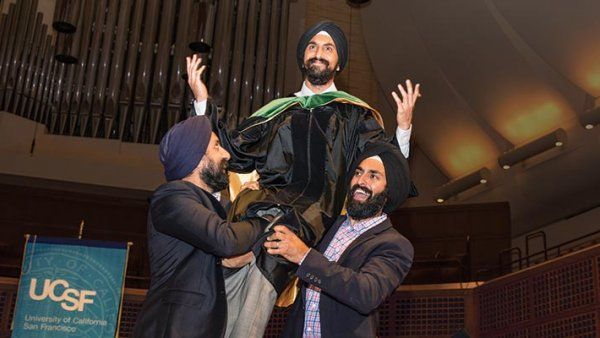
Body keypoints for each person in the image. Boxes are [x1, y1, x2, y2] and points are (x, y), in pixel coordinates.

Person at [186, 21, 421, 337]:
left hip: (316, 216)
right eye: (312, 46)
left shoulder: (355, 115)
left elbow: (383, 169)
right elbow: (231, 150)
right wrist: (203, 104)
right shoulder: (278, 110)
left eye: (328, 48)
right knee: (224, 256)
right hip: (265, 204)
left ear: (338, 62)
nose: (319, 53)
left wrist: (403, 130)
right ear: (303, 57)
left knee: (268, 261)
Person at [133, 116, 269, 338]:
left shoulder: (212, 205)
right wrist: (264, 219)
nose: (226, 154)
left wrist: (248, 204)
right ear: (196, 159)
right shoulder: (171, 198)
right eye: (216, 146)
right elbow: (226, 240)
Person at [265, 141, 415, 337]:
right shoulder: (327, 222)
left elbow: (366, 293)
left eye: (373, 176)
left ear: (389, 190)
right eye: (358, 172)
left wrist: (305, 256)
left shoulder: (394, 245)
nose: (361, 181)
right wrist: (260, 195)